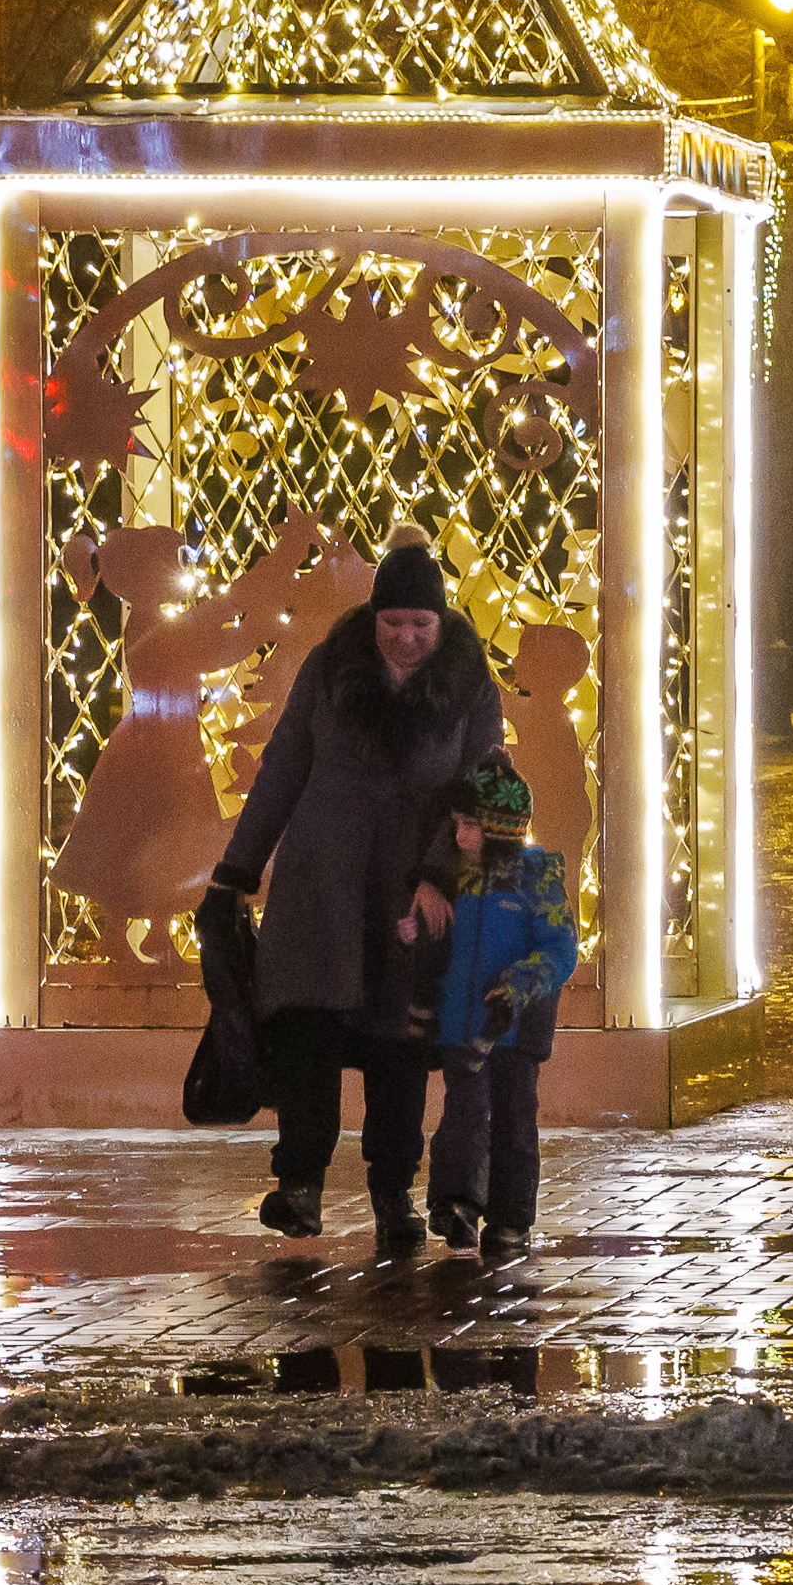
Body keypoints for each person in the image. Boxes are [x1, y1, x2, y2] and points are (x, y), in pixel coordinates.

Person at [200, 534, 498, 1252]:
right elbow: (282, 768)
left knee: (398, 1046)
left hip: (407, 893)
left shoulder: (468, 684)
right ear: (374, 619)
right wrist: (237, 868)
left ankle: (393, 1192)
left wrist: (438, 875)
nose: (405, 638)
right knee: (306, 1032)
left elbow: (481, 788)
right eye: (392, 622)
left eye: (419, 625)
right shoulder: (331, 666)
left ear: (441, 622)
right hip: (319, 885)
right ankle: (298, 1183)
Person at [426, 755, 577, 1258]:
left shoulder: (536, 877)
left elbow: (560, 948)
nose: (460, 835)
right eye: (457, 825)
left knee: (514, 1118)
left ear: (497, 828)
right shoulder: (457, 877)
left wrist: (523, 982)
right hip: (465, 1023)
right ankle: (456, 1205)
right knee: (463, 1112)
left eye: (469, 825)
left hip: (515, 1025)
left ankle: (510, 1217)